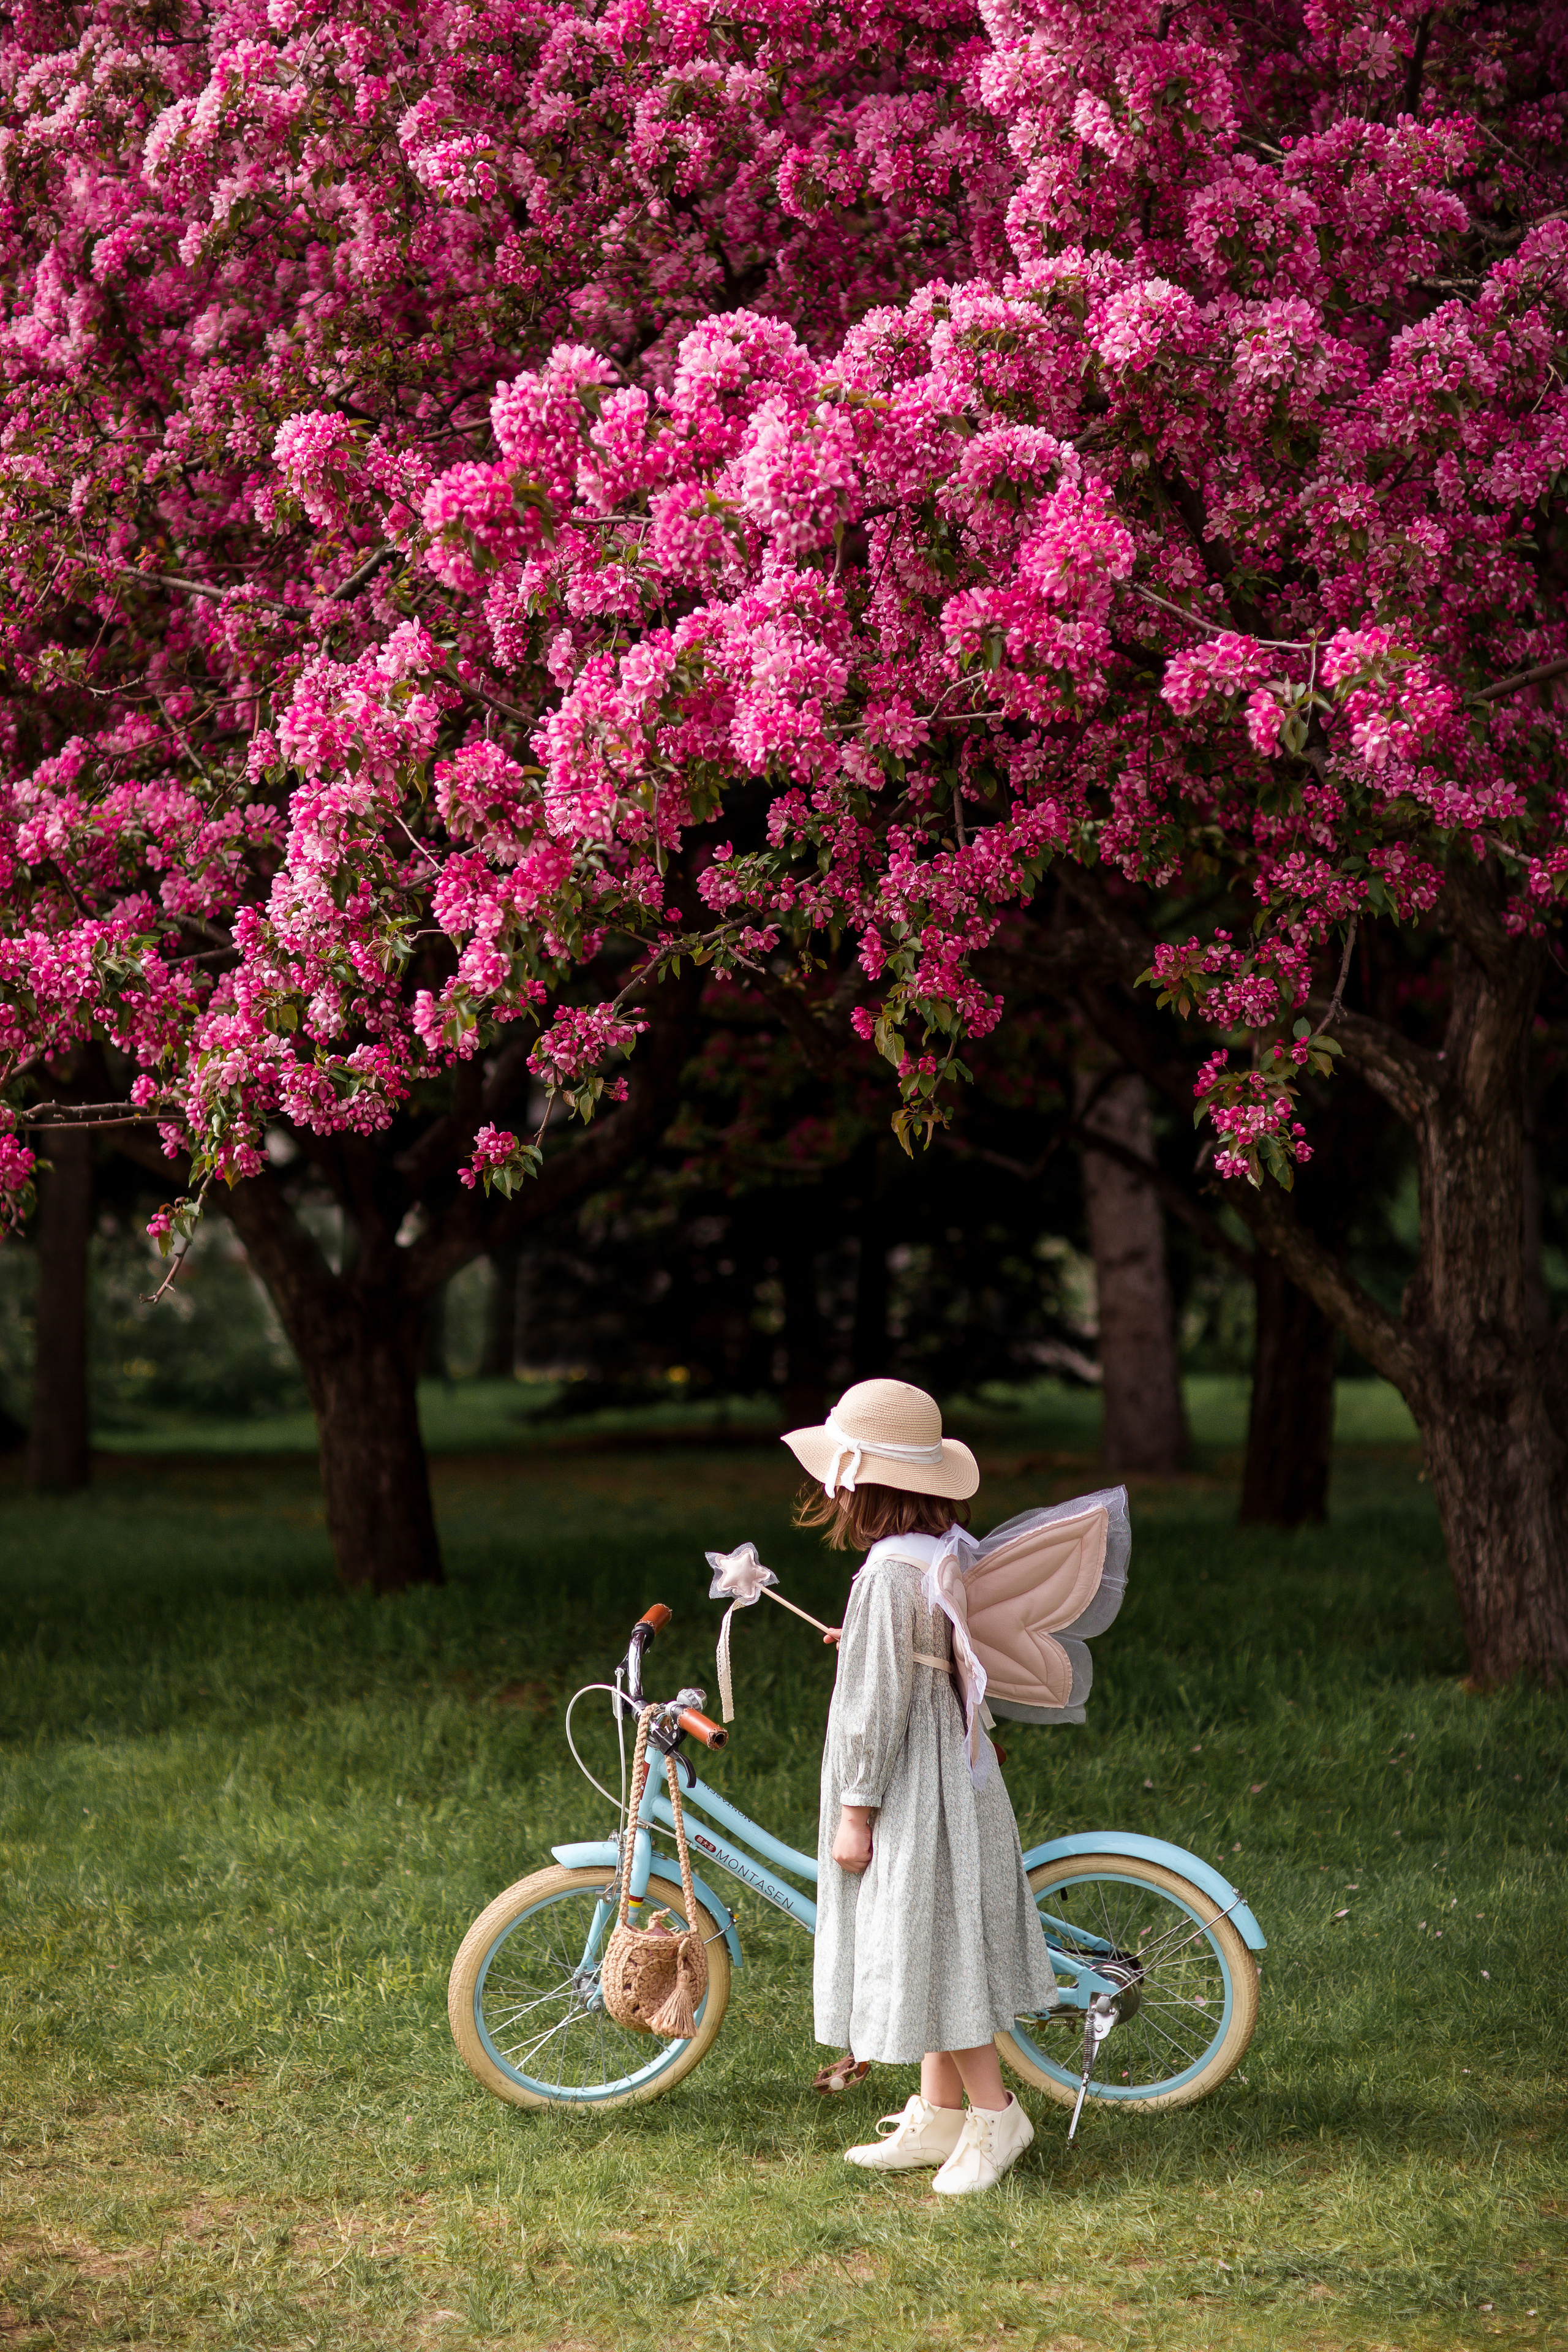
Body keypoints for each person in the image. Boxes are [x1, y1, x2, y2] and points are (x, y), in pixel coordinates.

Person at [785, 1378, 1059, 2196]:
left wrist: (856, 1813)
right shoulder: (944, 1552)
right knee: (936, 1933)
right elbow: (932, 1648)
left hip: (907, 1784)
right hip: (954, 1768)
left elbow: (872, 1711)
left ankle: (995, 2114)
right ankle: (940, 2115)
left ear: (860, 1486)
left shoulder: (885, 1577)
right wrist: (867, 1640)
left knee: (933, 1944)